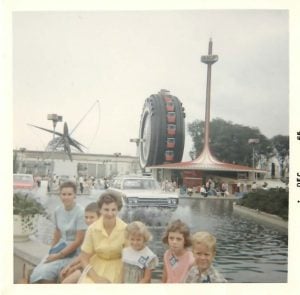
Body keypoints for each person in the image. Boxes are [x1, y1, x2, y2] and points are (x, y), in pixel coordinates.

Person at [30, 181, 87, 283]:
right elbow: (57, 232)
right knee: (38, 271)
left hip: (74, 252)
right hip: (60, 246)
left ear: (75, 195)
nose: (66, 197)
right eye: (63, 194)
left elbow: (78, 241)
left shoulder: (81, 212)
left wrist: (58, 256)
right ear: (60, 195)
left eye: (69, 194)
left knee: (44, 272)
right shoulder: (58, 210)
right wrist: (51, 250)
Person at [78, 190, 127, 283]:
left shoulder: (126, 229)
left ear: (118, 210)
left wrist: (122, 281)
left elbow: (129, 259)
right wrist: (96, 278)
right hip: (96, 267)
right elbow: (84, 258)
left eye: (113, 210)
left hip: (119, 268)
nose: (110, 213)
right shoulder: (92, 229)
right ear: (100, 210)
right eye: (106, 209)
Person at [60, 202, 100, 283]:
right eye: (86, 217)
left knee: (66, 282)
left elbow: (91, 257)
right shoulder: (89, 231)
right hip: (84, 263)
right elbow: (83, 254)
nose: (88, 220)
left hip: (92, 267)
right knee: (62, 274)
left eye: (92, 217)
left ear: (99, 217)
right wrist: (70, 265)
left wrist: (74, 268)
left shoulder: (98, 234)